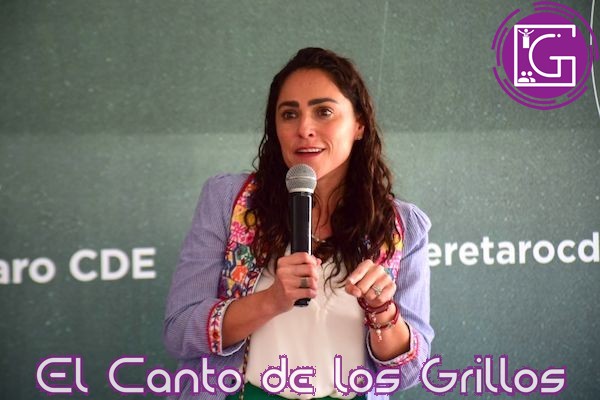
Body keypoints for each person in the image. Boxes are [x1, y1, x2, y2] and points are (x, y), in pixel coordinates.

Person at [163, 47, 434, 400]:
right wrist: (271, 300)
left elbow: (410, 371)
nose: (304, 129)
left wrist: (382, 312)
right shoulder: (228, 200)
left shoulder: (401, 225)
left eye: (324, 112)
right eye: (289, 114)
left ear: (359, 124)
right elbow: (180, 330)